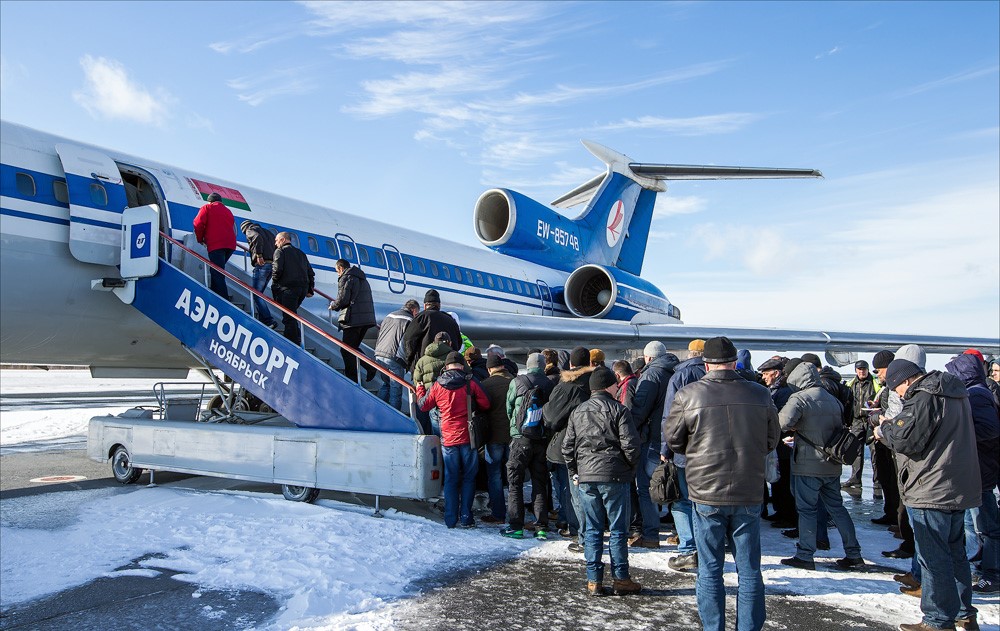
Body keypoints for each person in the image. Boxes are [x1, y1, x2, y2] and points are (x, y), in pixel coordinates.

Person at [665, 336, 779, 631]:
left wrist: (698, 450)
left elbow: (674, 440)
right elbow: (770, 440)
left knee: (710, 568)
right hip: (748, 488)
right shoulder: (760, 394)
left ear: (706, 364)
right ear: (734, 363)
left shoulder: (689, 394)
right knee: (750, 569)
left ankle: (713, 627)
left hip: (705, 490)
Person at [877, 359, 982, 631]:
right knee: (955, 553)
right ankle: (964, 614)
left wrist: (884, 427)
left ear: (907, 380)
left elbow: (905, 440)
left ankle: (937, 621)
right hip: (958, 485)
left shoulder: (924, 397)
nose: (899, 395)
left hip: (931, 487)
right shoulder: (955, 393)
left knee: (933, 558)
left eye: (897, 388)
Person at [563, 366, 642, 597]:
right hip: (615, 475)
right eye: (615, 384)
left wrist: (576, 470)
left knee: (593, 530)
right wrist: (629, 467)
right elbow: (631, 446)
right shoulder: (619, 410)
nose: (618, 386)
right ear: (609, 386)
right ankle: (621, 578)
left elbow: (568, 447)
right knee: (618, 530)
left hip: (587, 477)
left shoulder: (578, 411)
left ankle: (593, 580)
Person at [778, 361, 864, 571]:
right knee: (837, 509)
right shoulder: (833, 400)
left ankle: (805, 555)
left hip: (808, 465)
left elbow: (782, 423)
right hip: (832, 464)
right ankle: (854, 554)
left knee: (807, 510)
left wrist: (797, 427)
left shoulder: (799, 398)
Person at [945, 353, 999, 594]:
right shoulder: (977, 391)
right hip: (978, 468)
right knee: (976, 523)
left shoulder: (977, 394)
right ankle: (981, 565)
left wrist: (961, 434)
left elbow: (988, 428)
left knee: (986, 525)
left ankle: (992, 573)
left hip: (981, 470)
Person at [417, 352, 490, 528]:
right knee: (469, 478)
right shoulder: (470, 382)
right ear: (462, 365)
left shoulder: (437, 385)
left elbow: (424, 405)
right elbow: (486, 404)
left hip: (448, 439)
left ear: (447, 366)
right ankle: (466, 516)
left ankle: (450, 519)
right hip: (468, 437)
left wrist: (420, 390)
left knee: (451, 478)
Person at [542, 346, 594, 551]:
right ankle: (591, 531)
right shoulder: (599, 382)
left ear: (570, 364)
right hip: (597, 445)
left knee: (574, 492)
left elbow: (552, 419)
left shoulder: (567, 386)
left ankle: (581, 533)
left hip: (571, 444)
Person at [629, 340, 679, 550]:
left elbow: (640, 409)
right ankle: (680, 533)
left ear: (648, 357)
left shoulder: (651, 374)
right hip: (674, 437)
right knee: (675, 487)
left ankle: (650, 534)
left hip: (652, 440)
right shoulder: (676, 372)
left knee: (647, 488)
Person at [661, 339, 705, 567]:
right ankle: (706, 548)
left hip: (685, 451)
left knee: (681, 501)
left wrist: (665, 448)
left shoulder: (680, 377)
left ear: (690, 354)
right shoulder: (716, 376)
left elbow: (671, 417)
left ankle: (688, 549)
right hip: (713, 452)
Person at [501, 352, 556, 539]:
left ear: (527, 364)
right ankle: (541, 527)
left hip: (519, 439)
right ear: (543, 366)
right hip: (541, 440)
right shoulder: (550, 384)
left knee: (515, 483)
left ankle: (516, 526)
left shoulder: (517, 382)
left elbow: (509, 409)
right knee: (539, 483)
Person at [759, 357, 796, 529]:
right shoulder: (775, 389)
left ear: (776, 373)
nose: (764, 377)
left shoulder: (783, 392)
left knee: (784, 480)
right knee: (778, 480)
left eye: (766, 374)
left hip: (784, 443)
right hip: (778, 442)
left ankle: (787, 515)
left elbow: (779, 418)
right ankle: (781, 511)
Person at [327, 259, 376, 384]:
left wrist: (333, 305)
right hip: (366, 320)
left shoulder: (346, 277)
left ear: (341, 268)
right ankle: (364, 370)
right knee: (352, 348)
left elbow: (343, 298)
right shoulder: (362, 278)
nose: (338, 274)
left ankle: (354, 377)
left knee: (346, 350)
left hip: (353, 320)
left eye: (337, 271)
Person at [480, 353, 515, 524]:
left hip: (493, 436)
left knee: (494, 475)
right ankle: (517, 514)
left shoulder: (485, 385)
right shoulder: (515, 382)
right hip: (513, 435)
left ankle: (498, 513)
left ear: (489, 369)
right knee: (514, 474)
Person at [373, 299, 420, 411]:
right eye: (417, 313)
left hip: (379, 354)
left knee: (386, 384)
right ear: (413, 310)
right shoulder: (409, 320)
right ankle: (395, 419)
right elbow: (409, 342)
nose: (416, 315)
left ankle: (378, 411)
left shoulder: (390, 315)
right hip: (394, 357)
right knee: (396, 390)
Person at [270, 231, 314, 345]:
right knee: (291, 314)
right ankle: (296, 337)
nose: (275, 243)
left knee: (289, 317)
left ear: (283, 240)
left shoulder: (280, 251)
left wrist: (275, 283)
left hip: (288, 289)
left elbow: (277, 269)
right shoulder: (301, 253)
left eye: (276, 240)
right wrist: (310, 289)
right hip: (301, 290)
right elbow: (310, 273)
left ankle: (292, 342)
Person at [403, 290, 461, 371]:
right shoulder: (450, 320)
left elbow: (409, 340)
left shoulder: (421, 317)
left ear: (425, 305)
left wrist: (410, 361)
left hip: (424, 367)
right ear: (439, 305)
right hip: (446, 368)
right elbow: (458, 343)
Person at [193, 192, 237, 300]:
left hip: (216, 245)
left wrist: (200, 239)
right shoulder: (228, 211)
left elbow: (198, 224)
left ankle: (223, 299)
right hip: (230, 246)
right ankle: (214, 293)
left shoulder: (207, 208)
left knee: (217, 272)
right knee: (216, 270)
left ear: (210, 201)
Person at [843, 359, 880, 489]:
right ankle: (855, 479)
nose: (862, 371)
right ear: (856, 370)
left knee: (875, 452)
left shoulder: (875, 383)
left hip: (871, 420)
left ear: (868, 369)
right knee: (856, 451)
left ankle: (878, 480)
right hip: (857, 421)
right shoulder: (850, 384)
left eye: (864, 369)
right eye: (859, 369)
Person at [239, 220, 278, 329]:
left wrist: (259, 255)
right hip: (271, 266)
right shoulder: (268, 233)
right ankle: (264, 320)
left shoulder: (250, 230)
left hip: (262, 265)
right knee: (259, 294)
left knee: (256, 294)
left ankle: (268, 320)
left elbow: (256, 238)